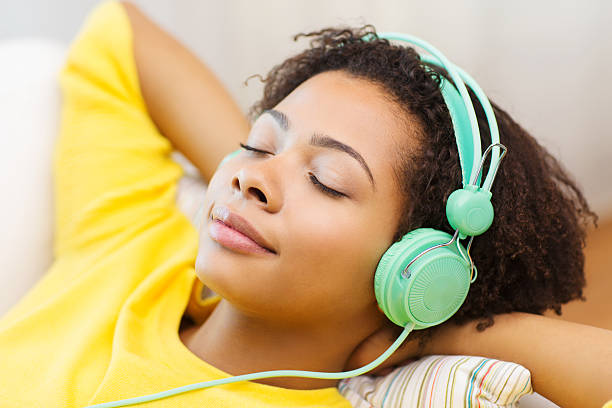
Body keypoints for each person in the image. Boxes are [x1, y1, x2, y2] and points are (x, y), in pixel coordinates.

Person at [0, 1, 610, 407]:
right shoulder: (133, 242)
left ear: (412, 266)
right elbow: (121, 34)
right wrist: (262, 183)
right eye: (258, 140)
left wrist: (428, 331)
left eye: (327, 179)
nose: (250, 176)